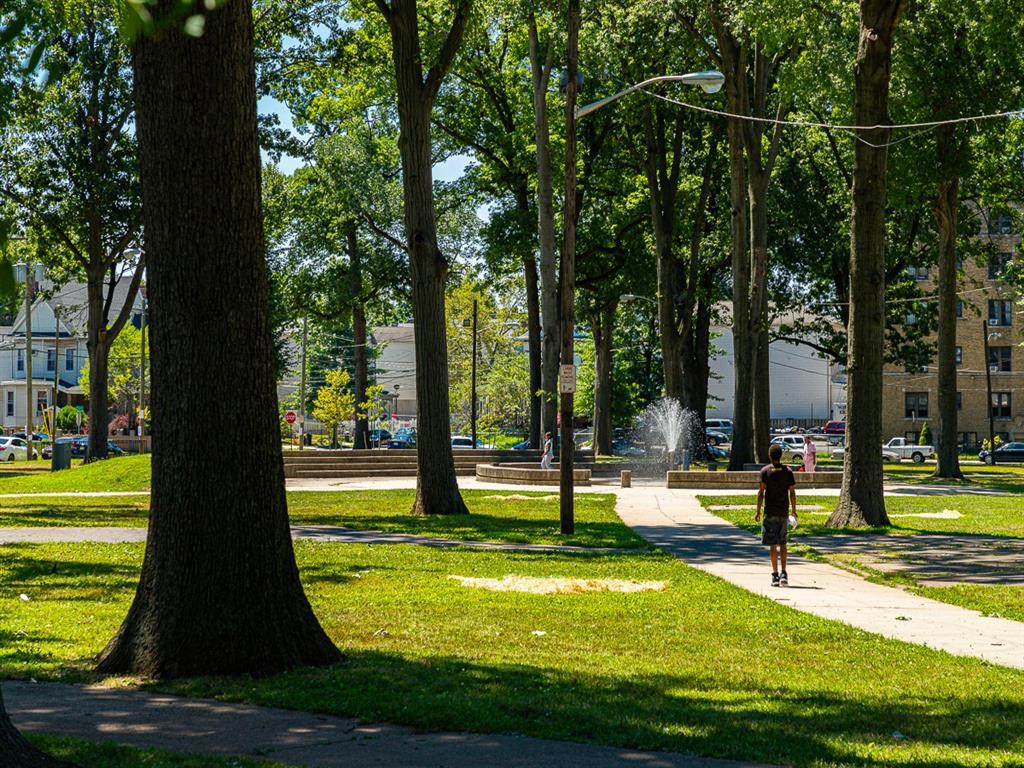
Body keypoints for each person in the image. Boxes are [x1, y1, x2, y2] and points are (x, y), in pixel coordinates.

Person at [755, 443, 797, 587]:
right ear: (781, 455)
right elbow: (792, 492)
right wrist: (793, 510)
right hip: (783, 512)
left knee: (773, 545)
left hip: (770, 512)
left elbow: (761, 493)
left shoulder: (765, 471)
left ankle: (775, 575)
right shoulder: (788, 471)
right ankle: (784, 573)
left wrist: (758, 511)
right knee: (783, 543)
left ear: (769, 455)